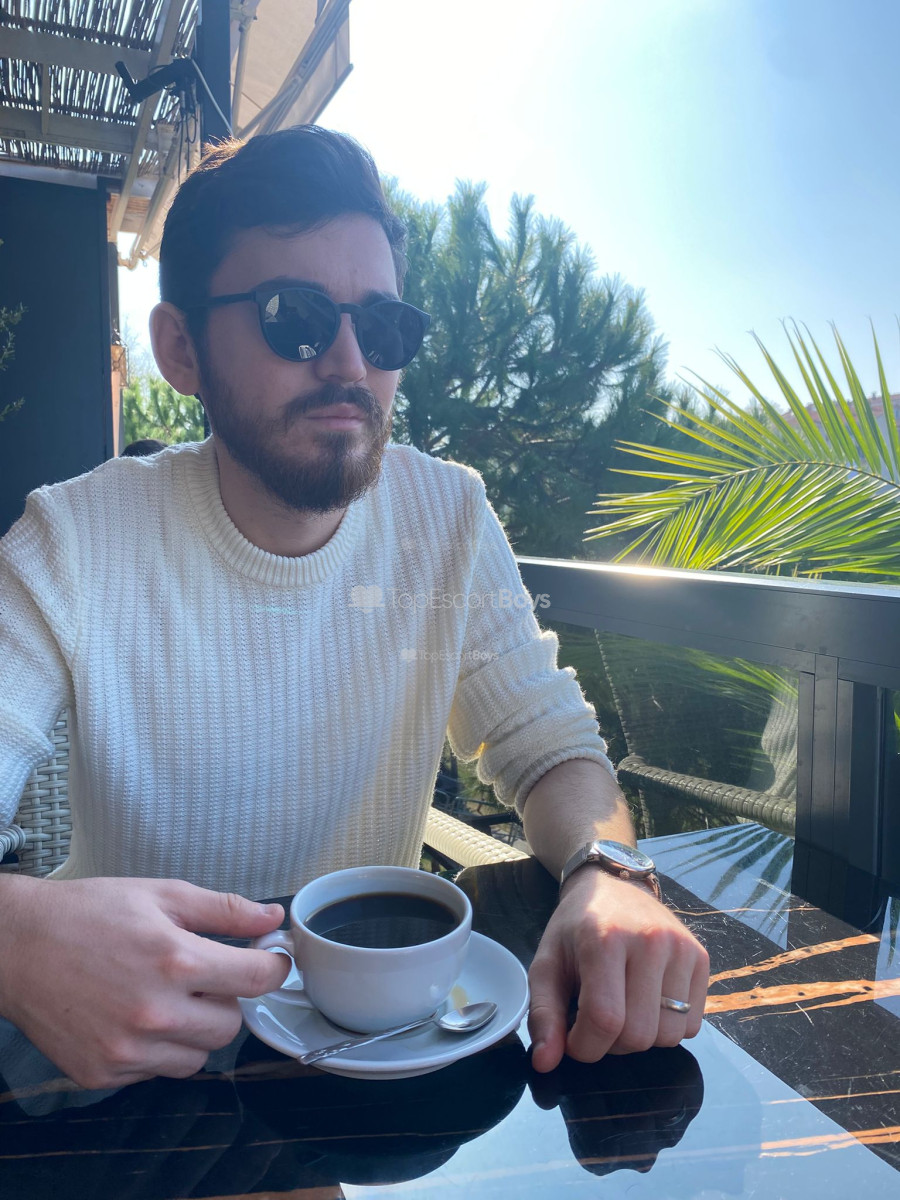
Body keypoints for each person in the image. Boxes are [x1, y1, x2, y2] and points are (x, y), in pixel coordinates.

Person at [0, 126, 707, 1090]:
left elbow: (549, 747)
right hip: (128, 1065)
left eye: (383, 329)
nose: (348, 362)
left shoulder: (444, 517)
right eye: (293, 317)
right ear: (182, 349)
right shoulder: (75, 541)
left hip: (373, 1060)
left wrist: (605, 873)